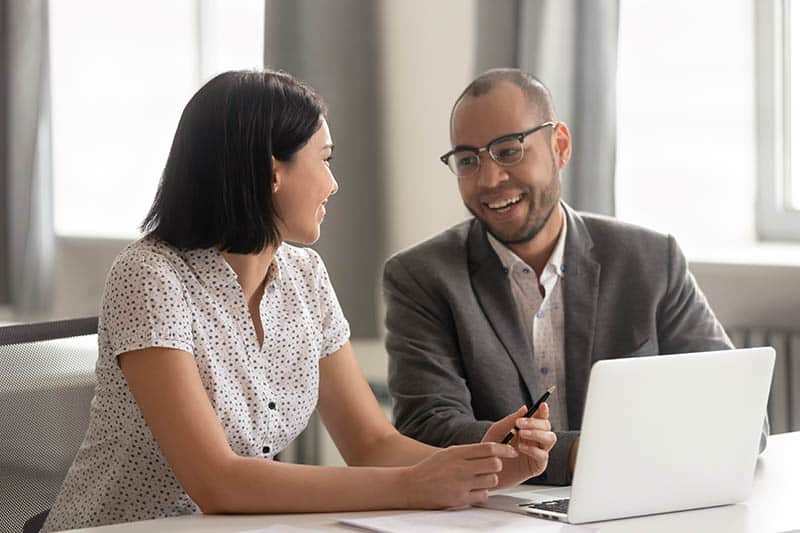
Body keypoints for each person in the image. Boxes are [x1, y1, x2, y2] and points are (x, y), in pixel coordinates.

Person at [41, 70, 556, 532]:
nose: (333, 185)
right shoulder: (150, 276)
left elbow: (370, 445)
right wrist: (414, 486)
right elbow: (217, 482)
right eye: (324, 160)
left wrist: (487, 465)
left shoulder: (305, 275)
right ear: (272, 173)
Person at [383, 68, 767, 487]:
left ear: (560, 146)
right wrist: (576, 456)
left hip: (639, 506)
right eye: (468, 160)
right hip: (500, 515)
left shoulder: (651, 260)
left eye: (509, 151)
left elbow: (739, 414)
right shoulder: (421, 277)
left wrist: (589, 456)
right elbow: (428, 429)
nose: (490, 179)